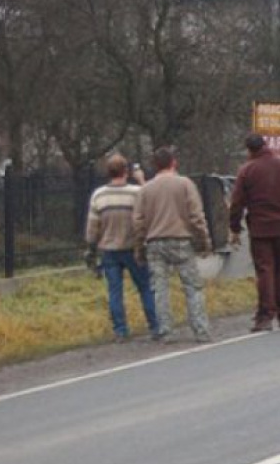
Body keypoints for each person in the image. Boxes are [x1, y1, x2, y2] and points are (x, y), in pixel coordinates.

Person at [228, 134, 280, 332]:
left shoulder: (246, 171)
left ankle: (265, 317)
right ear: (265, 145)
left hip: (260, 229)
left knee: (265, 271)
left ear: (249, 150)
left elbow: (237, 203)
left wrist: (235, 228)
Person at [133, 146, 213, 343]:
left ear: (154, 165)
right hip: (181, 240)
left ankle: (166, 331)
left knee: (159, 288)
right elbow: (196, 216)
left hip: (154, 242)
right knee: (192, 286)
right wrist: (204, 240)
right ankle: (201, 329)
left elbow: (138, 222)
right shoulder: (185, 184)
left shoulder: (145, 190)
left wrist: (139, 247)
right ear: (173, 162)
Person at [85, 154, 156, 341]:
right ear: (126, 171)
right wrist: (141, 180)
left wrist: (91, 249)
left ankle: (120, 330)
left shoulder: (99, 195)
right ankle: (155, 325)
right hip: (134, 248)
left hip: (109, 249)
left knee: (115, 291)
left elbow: (93, 227)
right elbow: (148, 208)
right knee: (145, 287)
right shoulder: (135, 193)